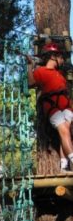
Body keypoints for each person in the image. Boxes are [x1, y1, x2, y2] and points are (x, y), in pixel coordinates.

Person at [27, 42, 73, 171]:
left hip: (66, 106)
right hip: (52, 106)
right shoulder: (40, 71)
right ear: (52, 56)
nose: (62, 60)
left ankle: (64, 164)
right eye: (60, 57)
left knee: (66, 134)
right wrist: (30, 66)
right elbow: (30, 83)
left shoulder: (59, 74)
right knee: (64, 131)